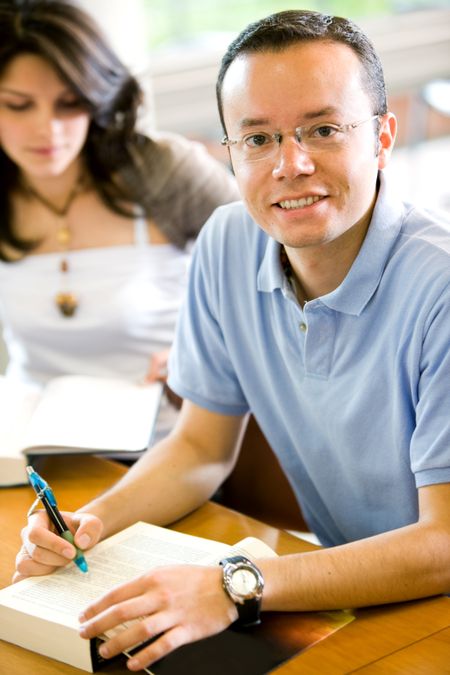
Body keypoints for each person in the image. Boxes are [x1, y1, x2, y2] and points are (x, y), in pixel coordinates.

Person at [15, 9, 450, 672]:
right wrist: (91, 522)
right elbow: (198, 447)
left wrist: (234, 582)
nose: (291, 164)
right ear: (230, 150)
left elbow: (444, 543)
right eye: (259, 139)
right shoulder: (227, 241)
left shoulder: (439, 285)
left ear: (383, 136)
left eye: (324, 129)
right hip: (345, 596)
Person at [0, 0, 239, 443]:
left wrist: (203, 350)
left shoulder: (162, 169)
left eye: (69, 104)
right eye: (18, 105)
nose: (47, 129)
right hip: (30, 450)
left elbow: (274, 269)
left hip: (164, 445)